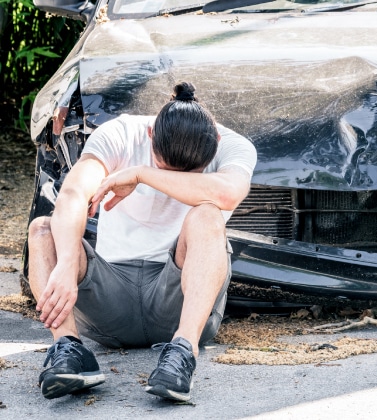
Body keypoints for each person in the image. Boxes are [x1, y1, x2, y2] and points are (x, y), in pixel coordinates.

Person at [27, 82, 257, 402]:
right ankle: (69, 350)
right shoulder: (121, 133)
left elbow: (228, 193)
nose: (174, 181)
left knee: (207, 214)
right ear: (151, 135)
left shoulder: (234, 145)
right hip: (111, 302)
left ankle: (181, 354)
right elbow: (74, 193)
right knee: (43, 229)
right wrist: (66, 261)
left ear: (215, 142)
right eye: (164, 168)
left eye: (190, 174)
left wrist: (142, 174)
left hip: (177, 301)